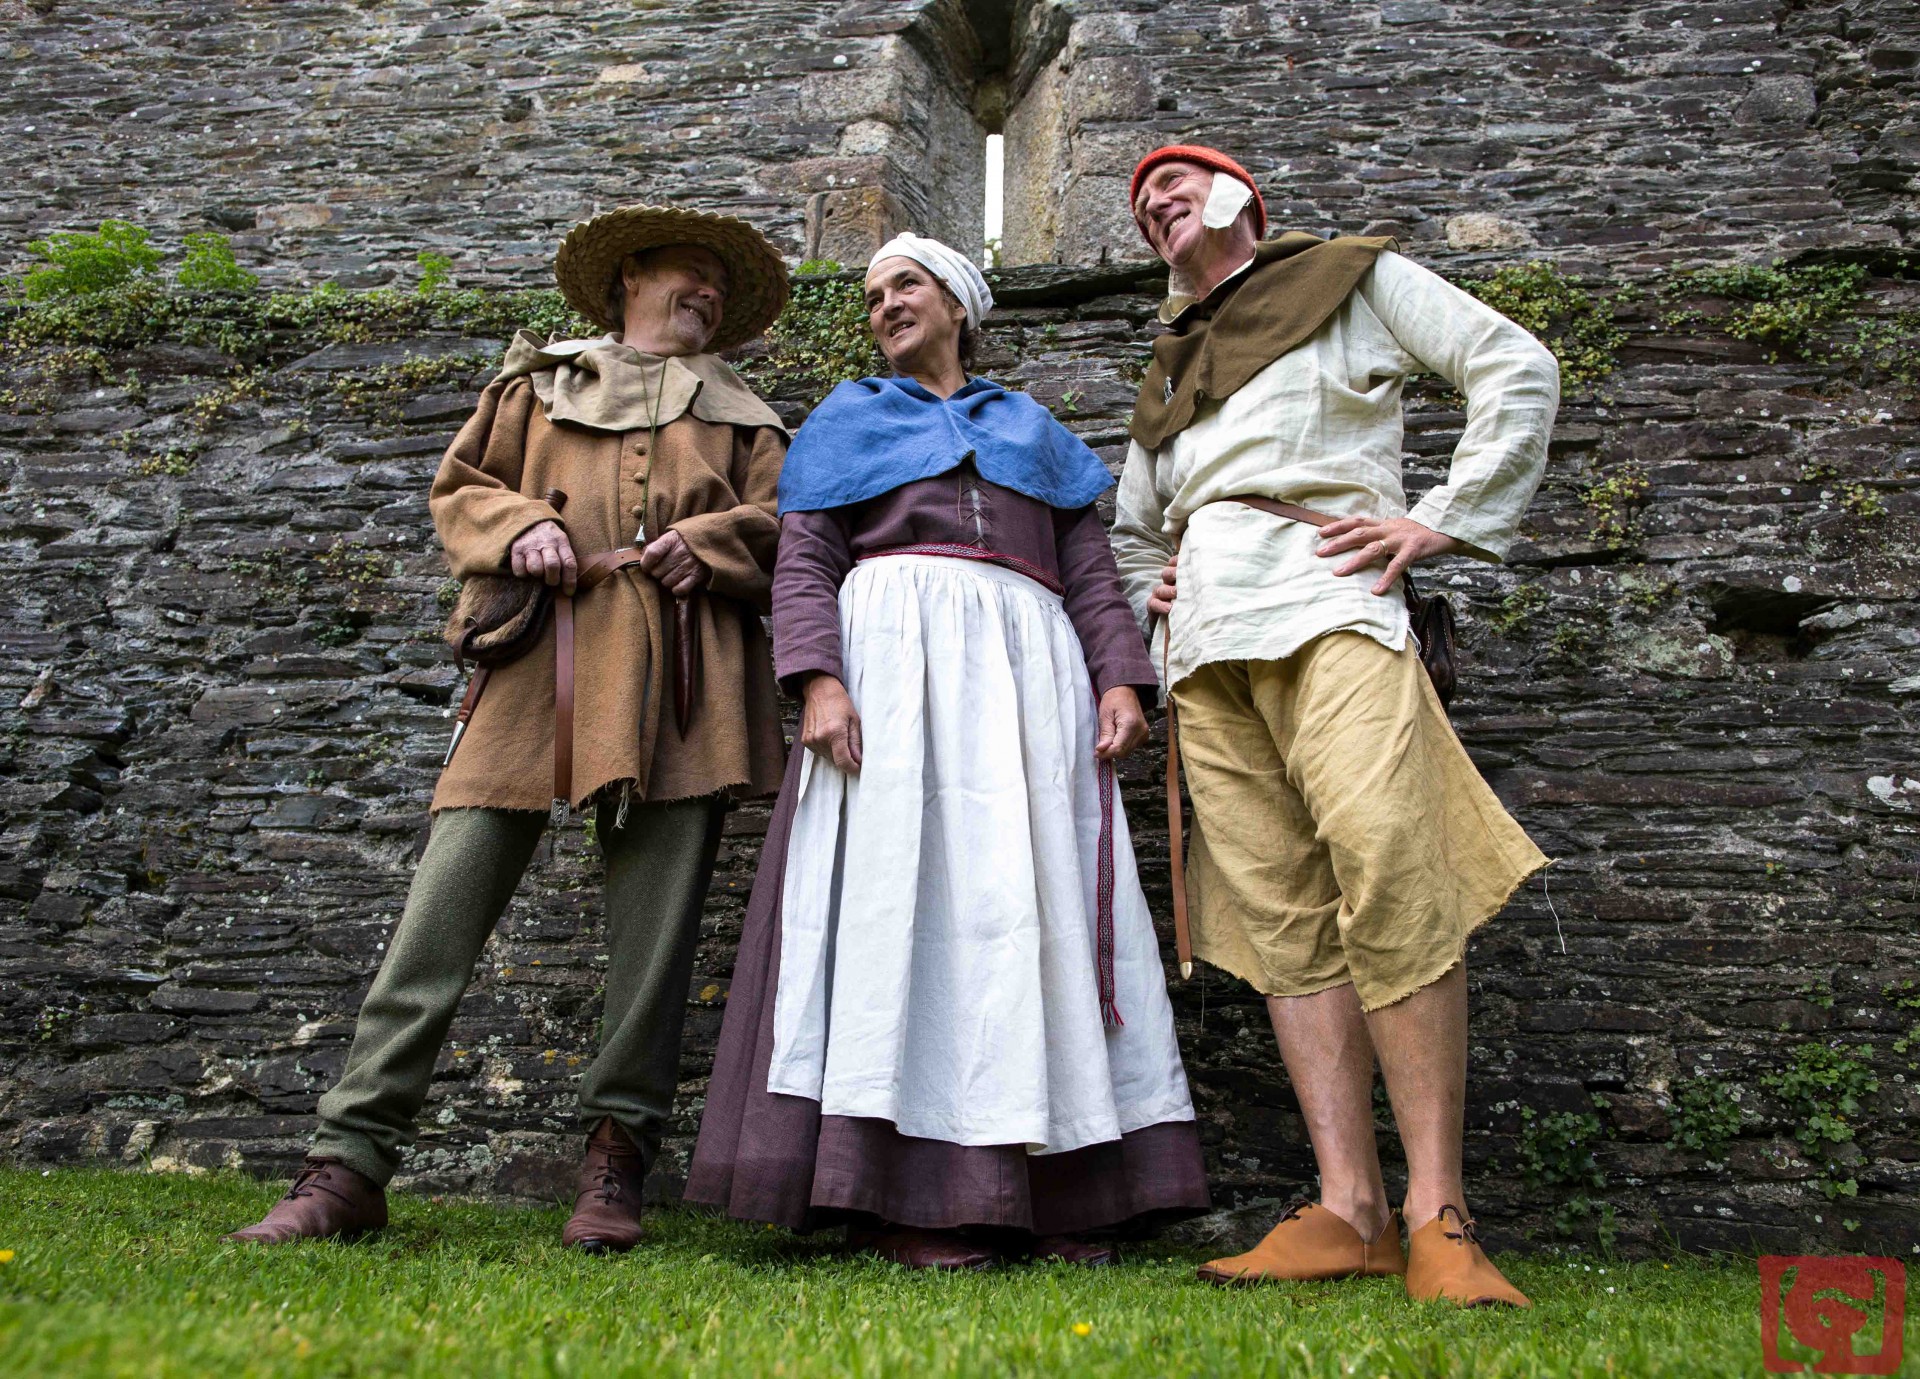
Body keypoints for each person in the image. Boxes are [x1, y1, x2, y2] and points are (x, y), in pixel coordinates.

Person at [228, 205, 794, 1253]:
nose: (709, 291)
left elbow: (785, 536)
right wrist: (523, 521)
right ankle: (349, 1160)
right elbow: (461, 489)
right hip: (538, 660)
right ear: (630, 276)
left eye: (722, 282)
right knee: (439, 910)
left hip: (684, 675)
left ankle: (617, 1161)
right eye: (691, 269)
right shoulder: (535, 385)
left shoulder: (749, 420)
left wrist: (711, 543)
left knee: (657, 940)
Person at [687, 233, 1209, 1269]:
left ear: (961, 306)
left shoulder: (1032, 429)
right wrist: (819, 678)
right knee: (903, 914)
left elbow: (1090, 571)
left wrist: (1119, 678)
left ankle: (1059, 1192)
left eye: (908, 285)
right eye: (874, 294)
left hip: (1029, 686)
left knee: (1034, 913)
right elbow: (806, 563)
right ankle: (905, 1195)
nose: (886, 304)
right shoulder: (846, 421)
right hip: (894, 677)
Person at [1110, 146, 1559, 1306]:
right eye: (1141, 205)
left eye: (1173, 185)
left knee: (1389, 866)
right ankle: (1350, 1207)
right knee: (1280, 912)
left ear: (1239, 198)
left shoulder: (1353, 278)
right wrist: (1156, 587)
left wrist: (1442, 518)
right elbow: (1133, 528)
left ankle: (1438, 1212)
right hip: (1208, 649)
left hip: (1332, 604)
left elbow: (1513, 364)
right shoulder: (1170, 365)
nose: (1154, 204)